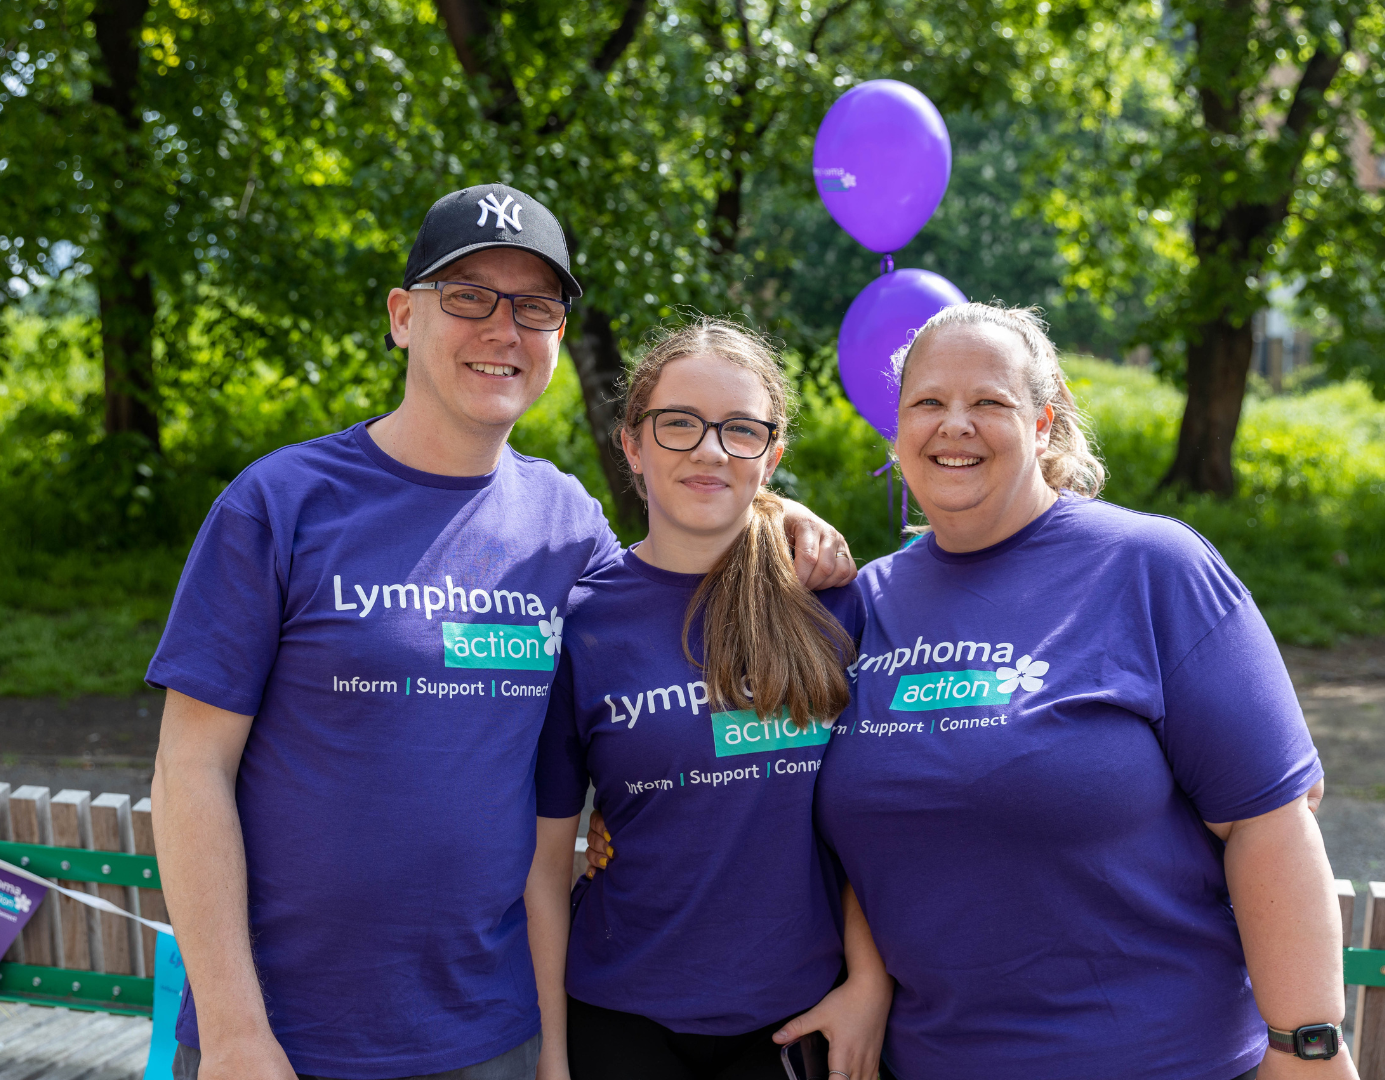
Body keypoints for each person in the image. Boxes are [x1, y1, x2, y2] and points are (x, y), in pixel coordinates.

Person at [147, 185, 855, 1080]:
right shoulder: (281, 504)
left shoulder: (565, 522)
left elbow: (670, 569)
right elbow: (188, 771)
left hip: (498, 1032)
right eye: (469, 296)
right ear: (404, 316)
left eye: (534, 306)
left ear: (558, 336)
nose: (503, 329)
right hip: (289, 1041)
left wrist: (774, 512)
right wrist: (235, 1030)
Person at [797, 302, 1345, 1079]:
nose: (954, 424)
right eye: (928, 403)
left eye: (988, 402)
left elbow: (1272, 820)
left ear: (1043, 424)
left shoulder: (1149, 567)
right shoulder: (863, 604)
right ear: (897, 429)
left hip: (1161, 1062)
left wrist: (1305, 1049)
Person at [524, 319, 893, 1080]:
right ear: (631, 444)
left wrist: (868, 981)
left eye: (739, 430)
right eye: (678, 424)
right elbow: (544, 864)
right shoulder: (583, 622)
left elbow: (872, 824)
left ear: (772, 453)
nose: (709, 449)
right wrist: (553, 1056)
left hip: (795, 1014)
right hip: (618, 1013)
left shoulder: (834, 608)